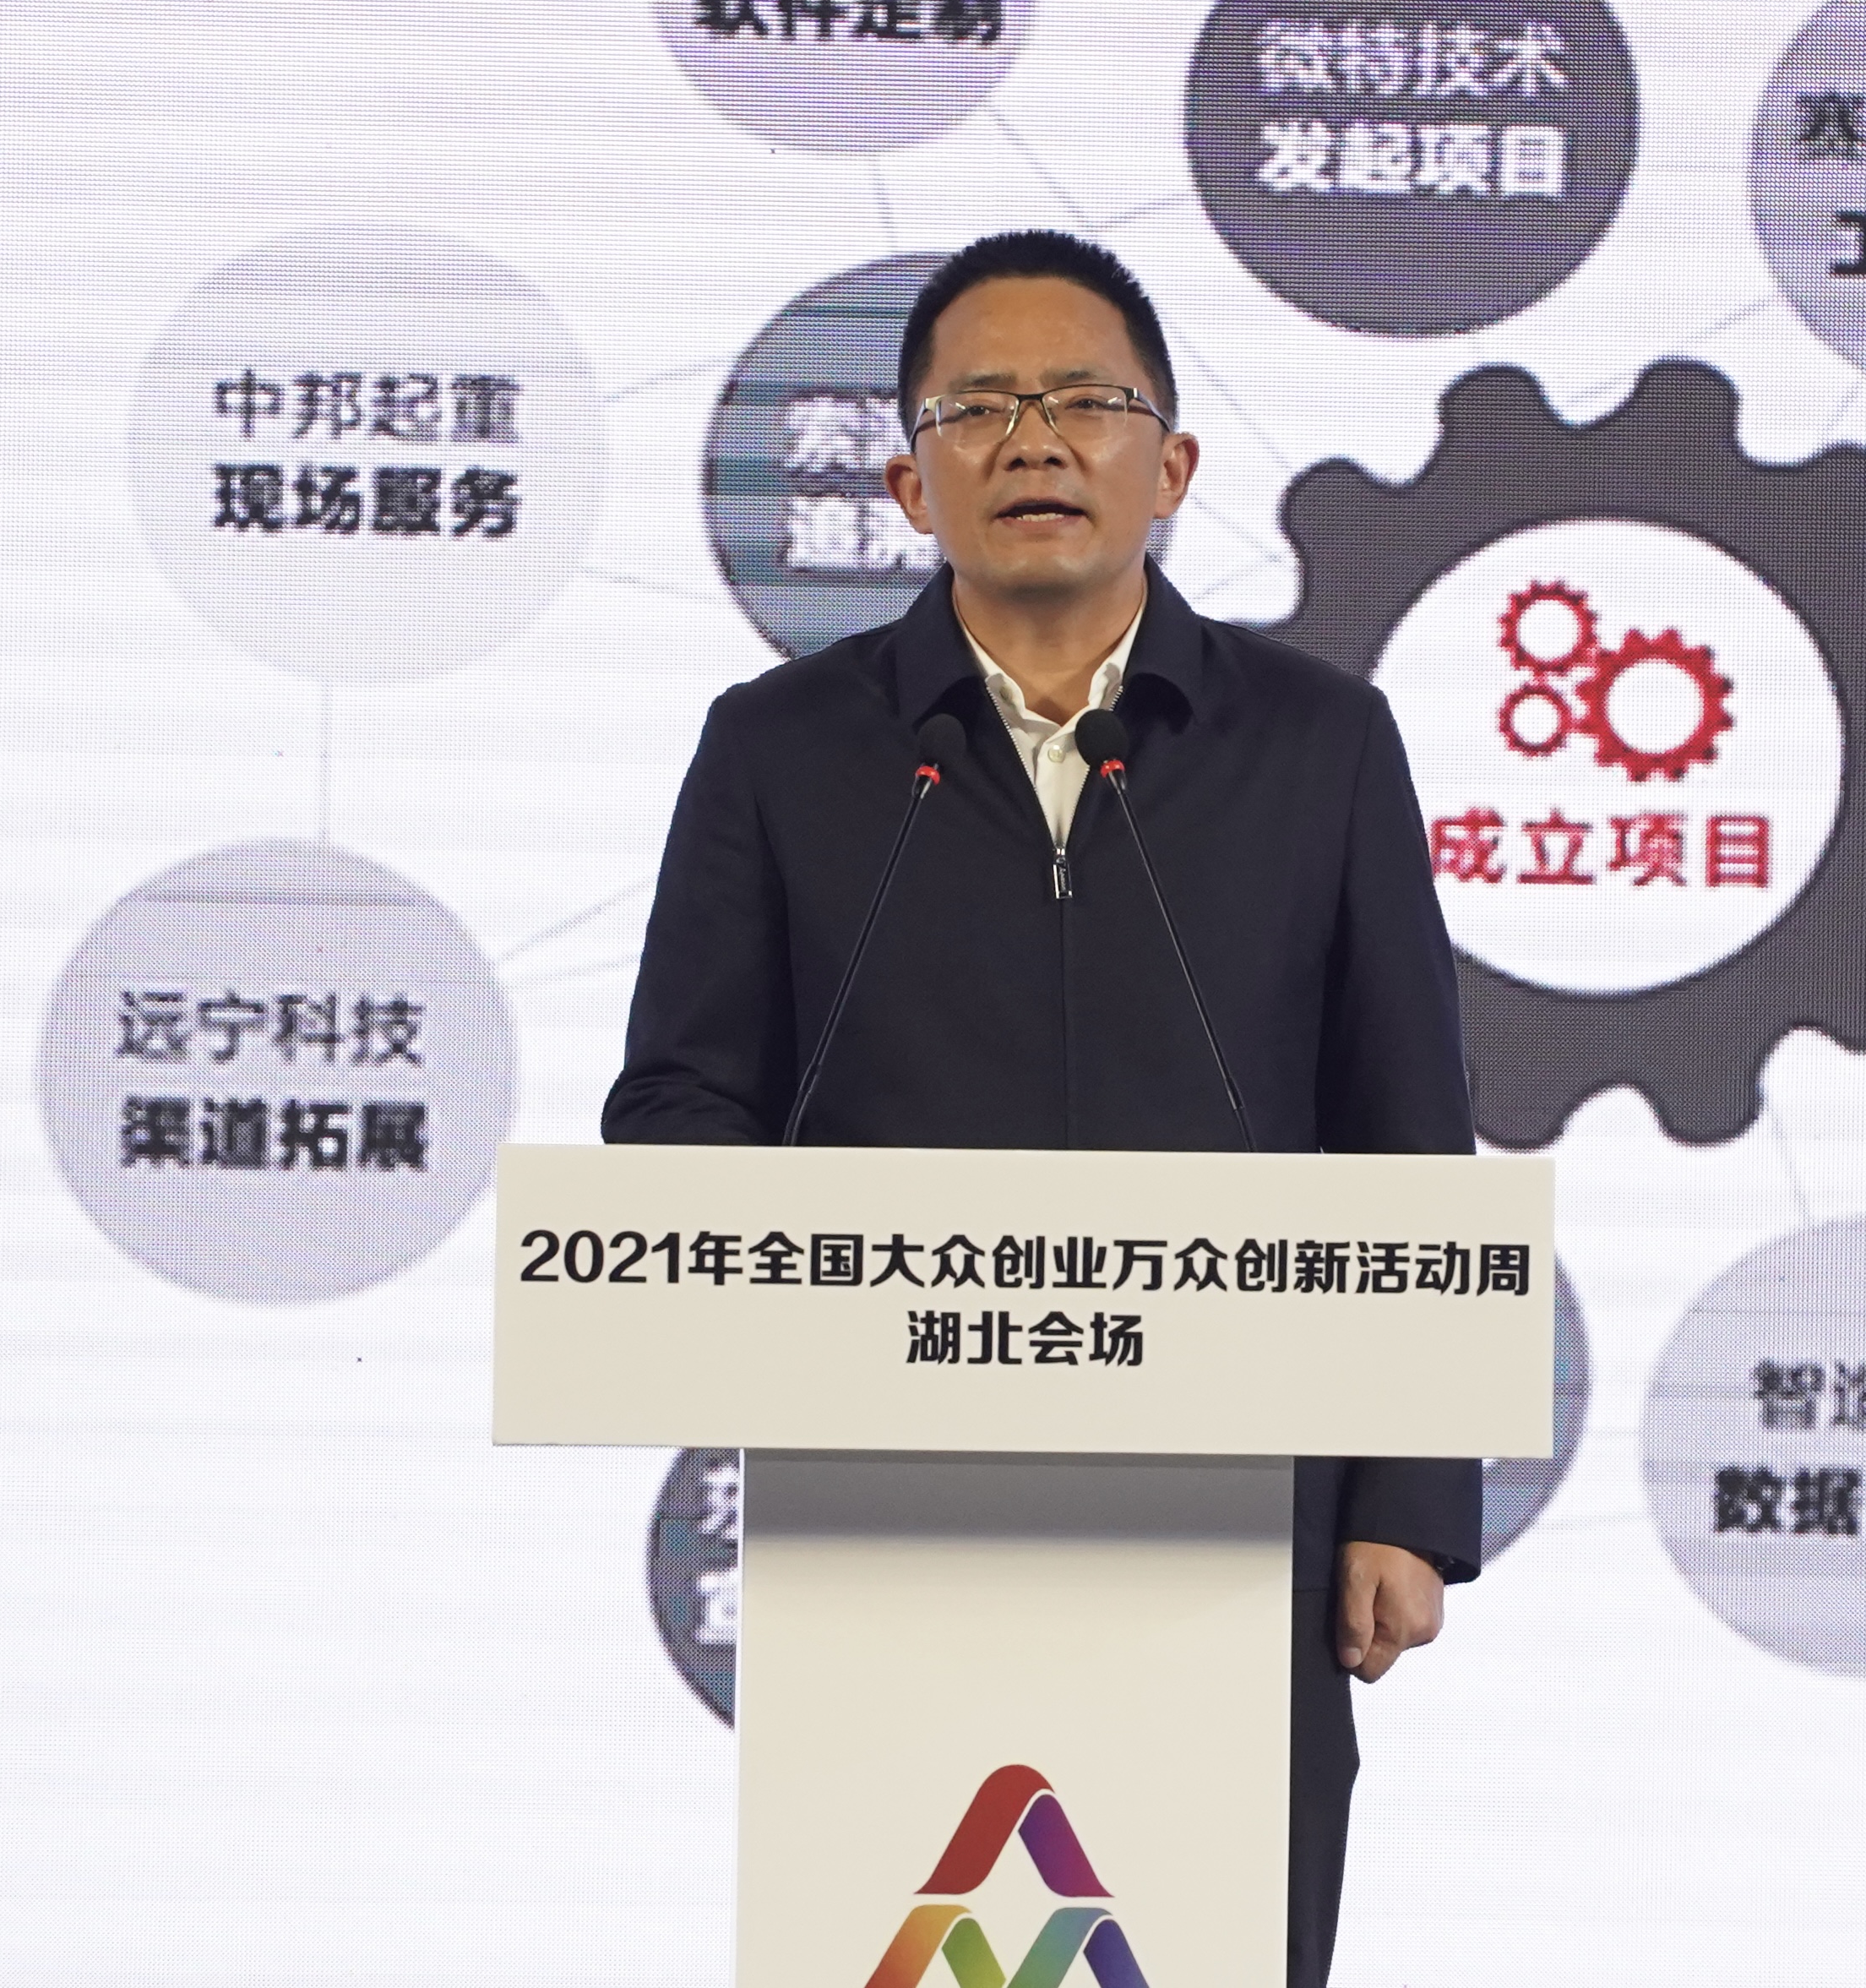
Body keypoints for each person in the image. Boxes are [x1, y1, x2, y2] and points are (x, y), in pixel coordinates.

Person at [604, 229, 1479, 1987]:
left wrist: (1403, 1495)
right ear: (906, 479)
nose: (1035, 441)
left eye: (1085, 400)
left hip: (1240, 1505)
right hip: (892, 1506)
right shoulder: (782, 749)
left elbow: (1404, 1130)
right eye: (979, 408)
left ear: (1174, 463)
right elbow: (683, 1103)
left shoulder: (1318, 745)